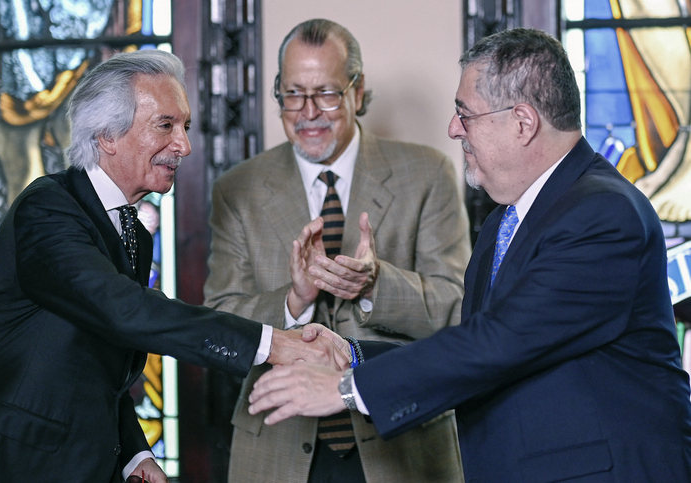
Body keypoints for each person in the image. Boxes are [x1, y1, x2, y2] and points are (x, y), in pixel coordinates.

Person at [248, 27, 691, 483]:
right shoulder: (506, 218)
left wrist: (347, 389)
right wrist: (353, 355)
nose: (453, 128)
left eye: (466, 114)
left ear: (523, 121)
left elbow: (500, 342)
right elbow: (480, 340)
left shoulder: (603, 213)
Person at [0, 49, 348, 483]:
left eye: (184, 127)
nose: (183, 145)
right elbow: (123, 310)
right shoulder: (47, 209)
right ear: (108, 135)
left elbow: (101, 364)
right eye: (165, 126)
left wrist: (134, 454)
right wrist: (276, 344)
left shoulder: (134, 233)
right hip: (13, 464)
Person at [203, 18, 470, 483]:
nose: (308, 112)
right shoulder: (237, 190)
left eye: (326, 92)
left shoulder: (429, 174)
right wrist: (294, 301)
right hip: (277, 448)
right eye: (292, 94)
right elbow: (219, 322)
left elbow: (458, 309)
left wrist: (374, 285)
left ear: (358, 90)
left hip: (403, 442)